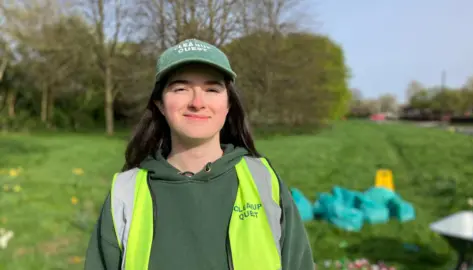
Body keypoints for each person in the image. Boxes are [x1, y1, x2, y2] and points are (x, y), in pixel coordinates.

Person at [84, 38, 315, 270]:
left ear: (228, 105)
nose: (197, 103)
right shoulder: (125, 193)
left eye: (212, 89)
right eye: (181, 88)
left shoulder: (265, 181)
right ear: (160, 104)